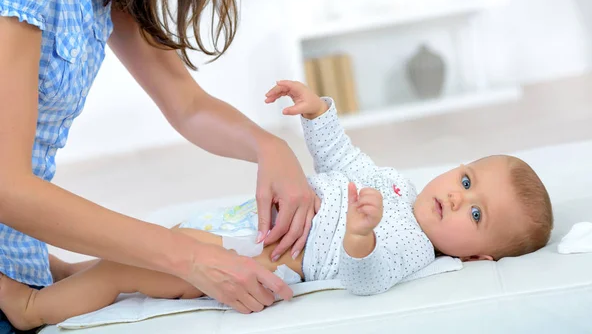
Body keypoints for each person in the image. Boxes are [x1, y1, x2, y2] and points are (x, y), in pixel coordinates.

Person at [0, 80, 555, 330]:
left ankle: (31, 312)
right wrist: (319, 114)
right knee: (157, 239)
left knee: (136, 266)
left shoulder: (414, 250)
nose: (458, 197)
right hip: (246, 225)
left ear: (480, 258)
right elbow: (342, 158)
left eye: (475, 214)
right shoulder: (396, 186)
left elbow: (366, 278)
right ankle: (74, 275)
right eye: (466, 178)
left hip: (257, 261)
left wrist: (359, 235)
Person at [0, 0, 321, 330]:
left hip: (17, 263)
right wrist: (186, 258)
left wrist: (270, 147)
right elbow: (6, 187)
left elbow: (187, 104)